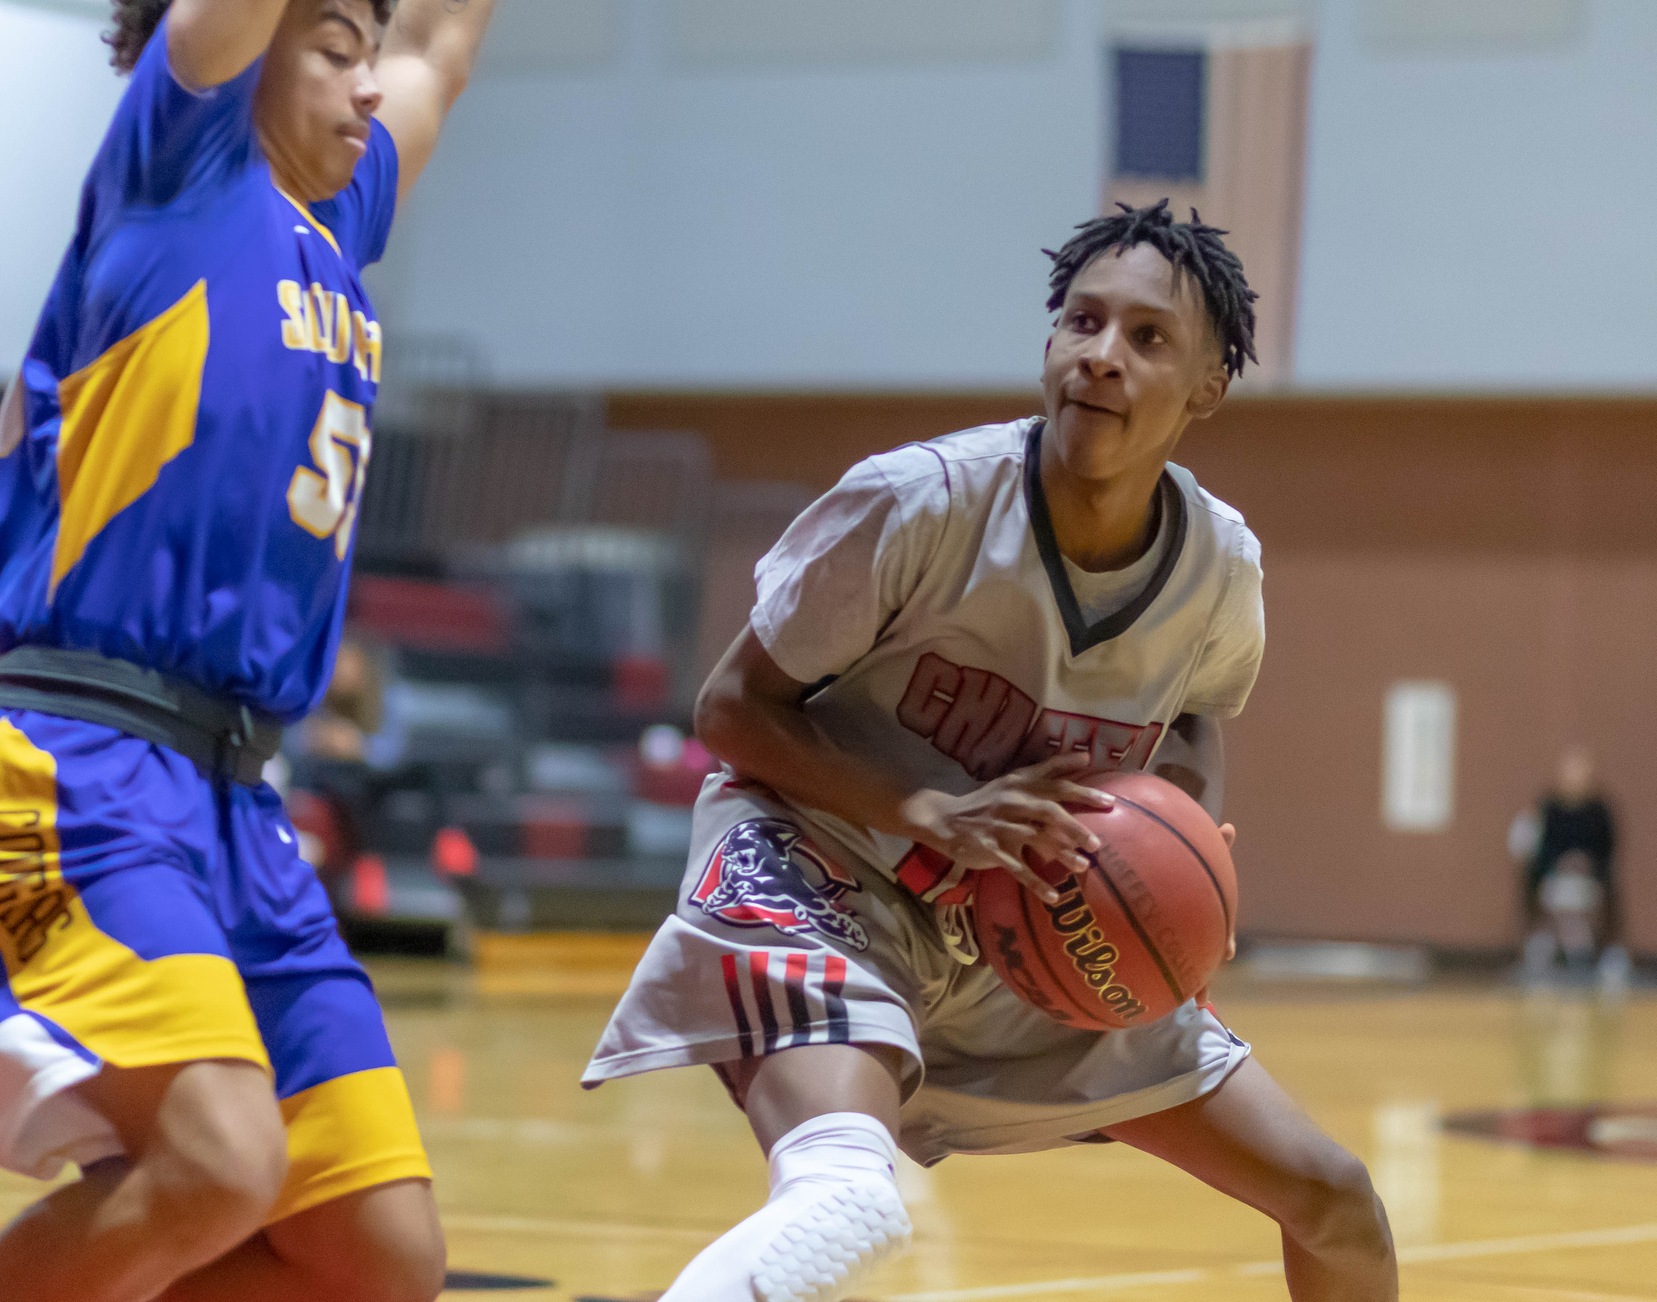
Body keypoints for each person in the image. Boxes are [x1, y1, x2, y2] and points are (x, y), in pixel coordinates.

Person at [583, 202, 1397, 1301]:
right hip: (829, 874)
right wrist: (922, 809)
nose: (1101, 355)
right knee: (844, 1195)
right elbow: (731, 710)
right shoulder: (918, 504)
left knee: (1336, 1202)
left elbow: (1194, 717)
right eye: (1081, 322)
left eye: (1147, 338)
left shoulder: (1219, 569)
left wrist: (1187, 836)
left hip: (1027, 927)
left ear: (1207, 387)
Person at [0, 2, 496, 1299]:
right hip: (80, 758)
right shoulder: (183, 163)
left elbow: (439, 46)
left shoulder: (338, 220)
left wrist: (396, 43)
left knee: (376, 1264)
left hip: (236, 801)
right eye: (334, 48)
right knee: (219, 1163)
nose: (369, 85)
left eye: (365, 55)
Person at [1514, 744, 1624, 986]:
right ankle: (1545, 942)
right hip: (1555, 874)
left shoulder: (1599, 811)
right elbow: (1541, 847)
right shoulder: (1549, 808)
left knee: (1604, 888)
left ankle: (1597, 950)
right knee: (1540, 884)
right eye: (1570, 770)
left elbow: (1607, 847)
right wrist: (1560, 864)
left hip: (1591, 876)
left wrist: (1585, 862)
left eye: (1580, 770)